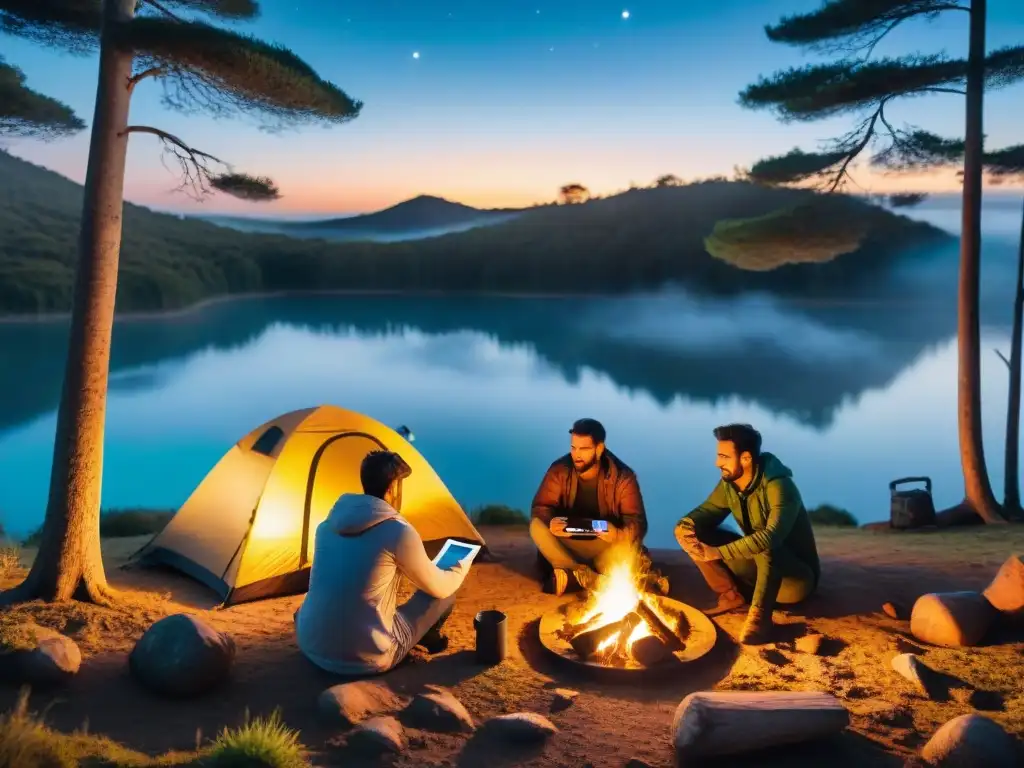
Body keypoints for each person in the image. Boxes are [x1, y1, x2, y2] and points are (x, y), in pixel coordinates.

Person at [295, 450, 468, 675]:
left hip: (312, 647)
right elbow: (439, 587)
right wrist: (461, 563)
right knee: (444, 596)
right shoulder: (398, 531)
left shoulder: (324, 527)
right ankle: (427, 636)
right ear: (392, 488)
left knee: (314, 605)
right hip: (369, 657)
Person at [675, 423, 820, 645]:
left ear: (745, 458)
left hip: (794, 581)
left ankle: (760, 619)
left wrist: (717, 552)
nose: (717, 463)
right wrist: (685, 525)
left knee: (766, 544)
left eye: (724, 457)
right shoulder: (730, 483)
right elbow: (708, 511)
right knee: (696, 532)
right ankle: (731, 596)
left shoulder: (779, 486)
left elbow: (771, 537)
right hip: (759, 568)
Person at [530, 418, 665, 596]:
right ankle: (586, 575)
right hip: (569, 542)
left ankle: (574, 576)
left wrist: (617, 534)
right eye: (573, 447)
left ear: (599, 448)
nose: (576, 455)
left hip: (603, 544)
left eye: (584, 449)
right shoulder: (559, 469)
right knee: (537, 527)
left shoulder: (623, 477)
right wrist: (551, 522)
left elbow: (637, 522)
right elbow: (541, 507)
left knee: (625, 553)